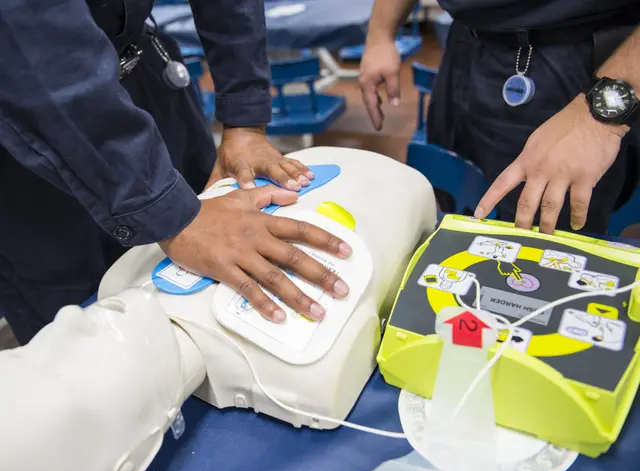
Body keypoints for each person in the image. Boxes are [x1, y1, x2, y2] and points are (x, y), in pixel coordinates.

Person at [0, 0, 350, 345]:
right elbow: (29, 40)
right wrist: (169, 214)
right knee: (88, 335)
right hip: (27, 143)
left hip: (144, 75)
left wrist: (245, 118)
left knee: (212, 282)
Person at [360, 0, 640, 235]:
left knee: (542, 247)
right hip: (465, 44)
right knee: (457, 204)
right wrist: (380, 35)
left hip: (577, 61)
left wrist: (601, 108)